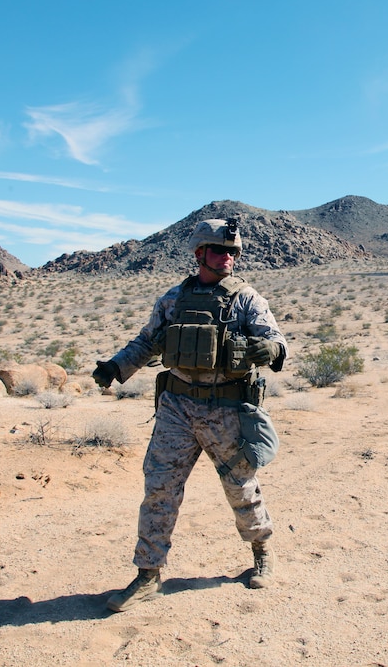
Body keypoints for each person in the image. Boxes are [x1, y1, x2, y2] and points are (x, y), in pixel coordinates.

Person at [92, 218, 287, 612]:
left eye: (233, 252)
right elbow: (147, 342)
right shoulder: (172, 299)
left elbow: (276, 339)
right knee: (159, 489)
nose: (228, 257)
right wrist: (116, 368)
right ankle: (148, 574)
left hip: (225, 408)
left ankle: (261, 550)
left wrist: (272, 351)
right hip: (177, 408)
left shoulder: (247, 299)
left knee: (241, 487)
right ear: (200, 254)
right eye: (219, 250)